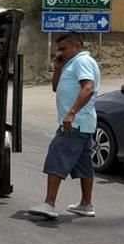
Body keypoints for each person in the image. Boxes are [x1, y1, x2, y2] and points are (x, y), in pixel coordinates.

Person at [28, 32, 101, 220]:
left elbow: (88, 87)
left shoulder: (82, 62)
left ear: (77, 46)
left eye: (63, 49)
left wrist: (71, 113)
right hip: (83, 124)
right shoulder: (70, 63)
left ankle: (49, 204)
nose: (59, 53)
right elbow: (55, 87)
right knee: (84, 165)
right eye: (58, 49)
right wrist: (58, 67)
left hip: (74, 123)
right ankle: (86, 204)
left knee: (56, 157)